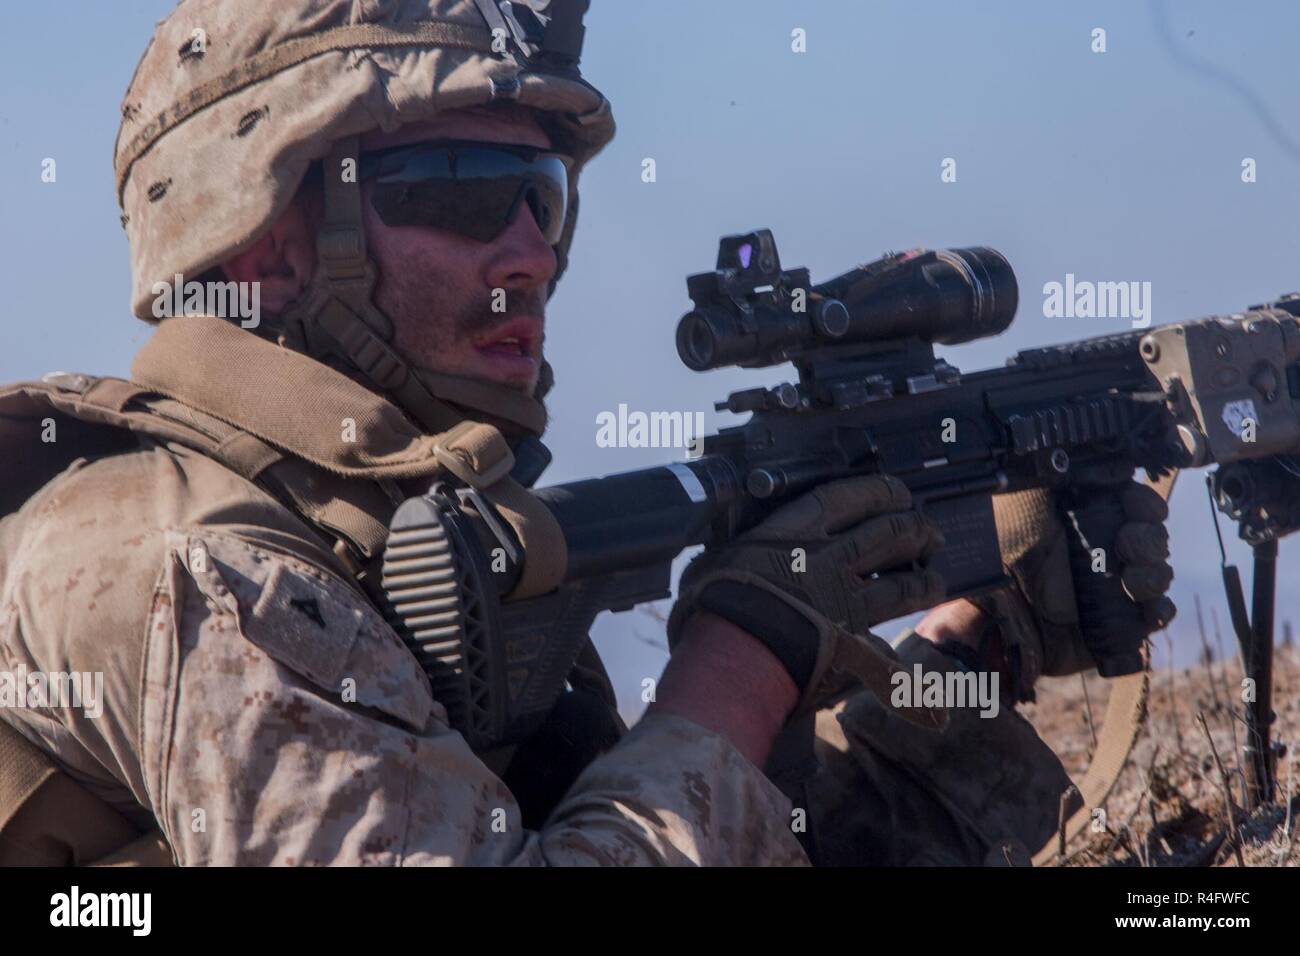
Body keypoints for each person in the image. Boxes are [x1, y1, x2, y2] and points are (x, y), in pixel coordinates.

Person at [0, 0, 1172, 867]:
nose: (529, 253)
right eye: (458, 189)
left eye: (542, 194)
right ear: (261, 245)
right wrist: (739, 661)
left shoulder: (378, 526)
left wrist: (973, 647)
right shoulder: (198, 570)